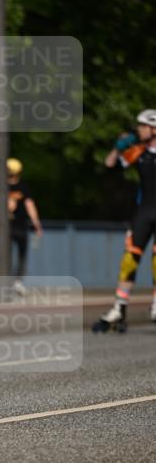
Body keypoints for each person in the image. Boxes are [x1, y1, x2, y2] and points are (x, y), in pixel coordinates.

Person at [94, 108, 156, 332]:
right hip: (144, 212)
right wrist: (117, 147)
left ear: (154, 128)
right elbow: (110, 164)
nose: (138, 130)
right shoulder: (139, 151)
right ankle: (119, 308)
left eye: (142, 126)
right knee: (129, 259)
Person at [6, 158, 44, 296]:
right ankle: (10, 282)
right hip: (7, 227)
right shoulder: (4, 187)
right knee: (9, 256)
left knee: (20, 255)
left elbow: (29, 205)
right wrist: (36, 223)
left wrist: (36, 223)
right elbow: (30, 205)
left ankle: (16, 282)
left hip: (19, 226)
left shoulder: (20, 186)